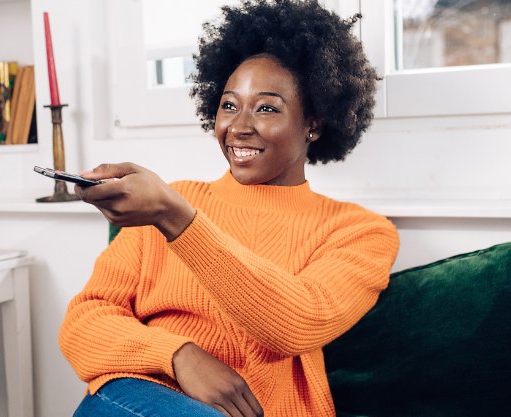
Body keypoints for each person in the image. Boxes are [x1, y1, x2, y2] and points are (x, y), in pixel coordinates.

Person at [58, 1, 400, 416]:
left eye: (267, 107)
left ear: (314, 123)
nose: (239, 126)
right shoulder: (170, 201)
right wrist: (179, 355)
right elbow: (83, 324)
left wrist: (178, 220)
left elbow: (295, 323)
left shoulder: (359, 232)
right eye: (229, 104)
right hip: (137, 398)